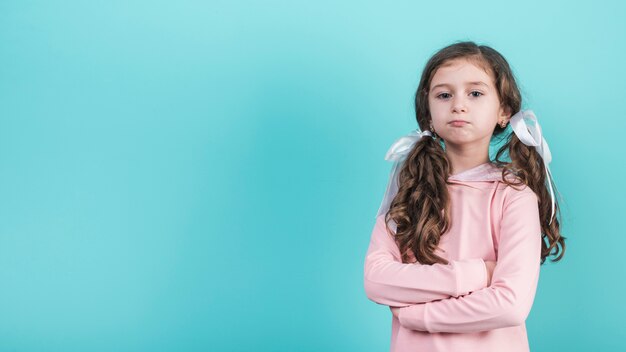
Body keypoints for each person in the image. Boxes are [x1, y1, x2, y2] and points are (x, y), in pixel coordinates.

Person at [363, 41, 567, 352]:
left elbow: (510, 304)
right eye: (444, 95)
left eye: (475, 93)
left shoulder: (513, 196)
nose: (459, 105)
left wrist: (420, 316)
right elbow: (377, 280)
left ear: (504, 111)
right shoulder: (409, 193)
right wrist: (476, 273)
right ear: (428, 113)